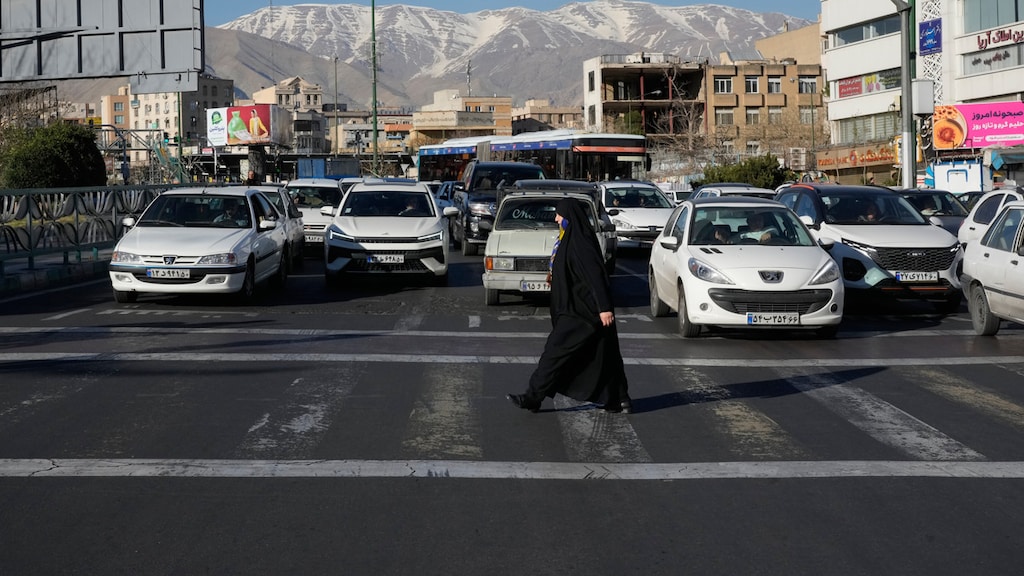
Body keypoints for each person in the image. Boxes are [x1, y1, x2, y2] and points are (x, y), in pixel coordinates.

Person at [507, 198, 631, 414]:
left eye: (559, 215)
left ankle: (532, 397)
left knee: (553, 354)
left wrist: (604, 307)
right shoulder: (570, 239)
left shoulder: (581, 243)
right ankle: (619, 399)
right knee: (604, 355)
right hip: (577, 309)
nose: (556, 218)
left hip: (580, 312)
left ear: (569, 217)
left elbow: (595, 275)